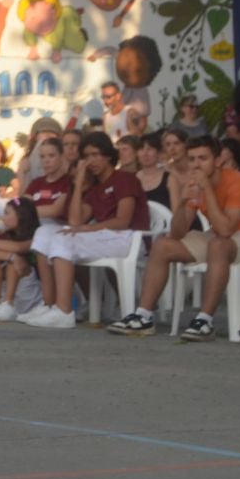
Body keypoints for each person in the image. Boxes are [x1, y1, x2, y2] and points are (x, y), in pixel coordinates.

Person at [108, 136, 240, 340]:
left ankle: (205, 320)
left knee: (218, 244)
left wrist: (207, 190)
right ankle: (143, 316)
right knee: (163, 245)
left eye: (203, 158)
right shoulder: (196, 184)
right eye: (192, 159)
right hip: (218, 237)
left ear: (217, 160)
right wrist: (184, 202)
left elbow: (227, 229)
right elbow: (177, 233)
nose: (197, 165)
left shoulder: (238, 183)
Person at [19, 131, 147, 330]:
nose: (91, 161)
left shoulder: (124, 178)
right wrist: (78, 184)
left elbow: (123, 221)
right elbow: (75, 220)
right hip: (105, 237)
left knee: (63, 240)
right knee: (44, 234)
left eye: (96, 155)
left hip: (129, 239)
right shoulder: (95, 187)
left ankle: (64, 311)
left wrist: (87, 229)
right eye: (87, 156)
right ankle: (49, 304)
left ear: (108, 155)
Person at [0, 136, 69, 313]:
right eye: (42, 157)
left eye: (51, 156)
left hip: (48, 229)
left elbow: (53, 211)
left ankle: (8, 301)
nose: (46, 161)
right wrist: (22, 175)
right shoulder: (37, 183)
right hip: (26, 226)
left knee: (9, 241)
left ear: (61, 157)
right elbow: (21, 208)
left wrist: (27, 211)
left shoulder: (67, 183)